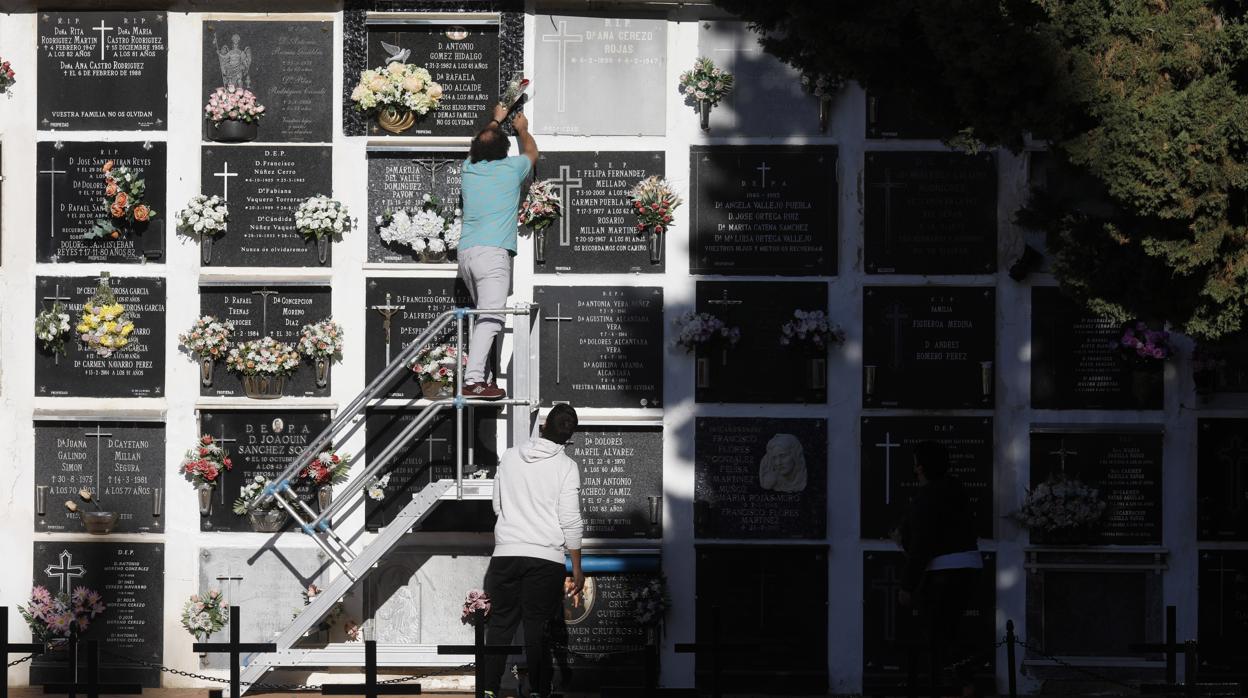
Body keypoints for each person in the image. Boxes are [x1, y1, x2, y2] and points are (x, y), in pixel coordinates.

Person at [480, 404, 584, 698]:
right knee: (537, 628)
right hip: (545, 558)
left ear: (543, 426)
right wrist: (577, 566)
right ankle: (539, 690)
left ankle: (488, 689)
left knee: (500, 624)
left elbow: (497, 505)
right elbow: (570, 520)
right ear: (570, 434)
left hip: (506, 553)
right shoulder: (566, 467)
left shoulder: (511, 457)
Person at [457, 102, 539, 400]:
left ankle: (485, 376)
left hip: (466, 253)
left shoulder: (469, 169)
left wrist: (495, 120)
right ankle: (474, 381)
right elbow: (531, 153)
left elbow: (483, 143)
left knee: (486, 319)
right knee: (492, 318)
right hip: (493, 255)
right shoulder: (512, 168)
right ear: (506, 150)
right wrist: (522, 130)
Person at [897, 440, 983, 698]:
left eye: (915, 462)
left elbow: (923, 543)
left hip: (943, 573)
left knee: (940, 633)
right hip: (967, 567)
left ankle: (956, 684)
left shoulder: (927, 496)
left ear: (920, 467)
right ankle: (962, 681)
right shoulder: (956, 489)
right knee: (952, 628)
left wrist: (907, 585)